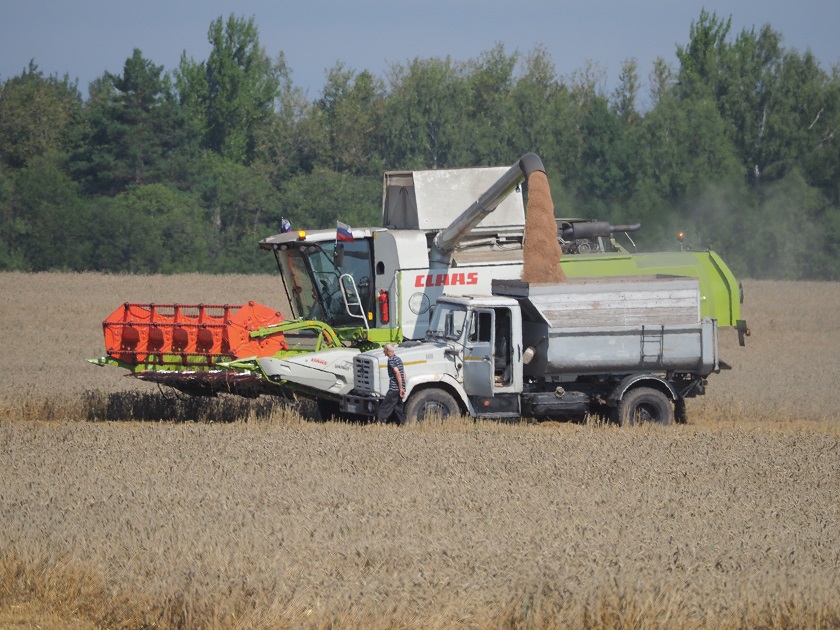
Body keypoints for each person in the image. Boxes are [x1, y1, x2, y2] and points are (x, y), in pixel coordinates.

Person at [378, 343, 406, 425]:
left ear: (387, 350)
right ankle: (402, 423)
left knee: (386, 406)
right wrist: (403, 387)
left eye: (384, 349)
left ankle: (381, 422)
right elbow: (403, 374)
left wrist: (400, 388)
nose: (383, 351)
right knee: (398, 407)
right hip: (400, 387)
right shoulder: (398, 359)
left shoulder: (391, 360)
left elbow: (397, 372)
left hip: (394, 388)